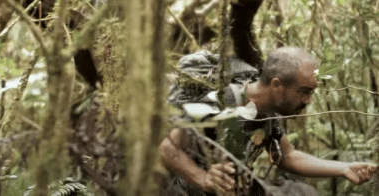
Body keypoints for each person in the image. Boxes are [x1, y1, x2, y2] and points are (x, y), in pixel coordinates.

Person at [159, 47, 378, 195]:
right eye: (303, 92)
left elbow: (287, 156)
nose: (308, 101)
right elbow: (167, 147)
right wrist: (203, 177)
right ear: (276, 85)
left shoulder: (268, 113)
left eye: (311, 93)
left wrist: (344, 168)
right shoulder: (224, 101)